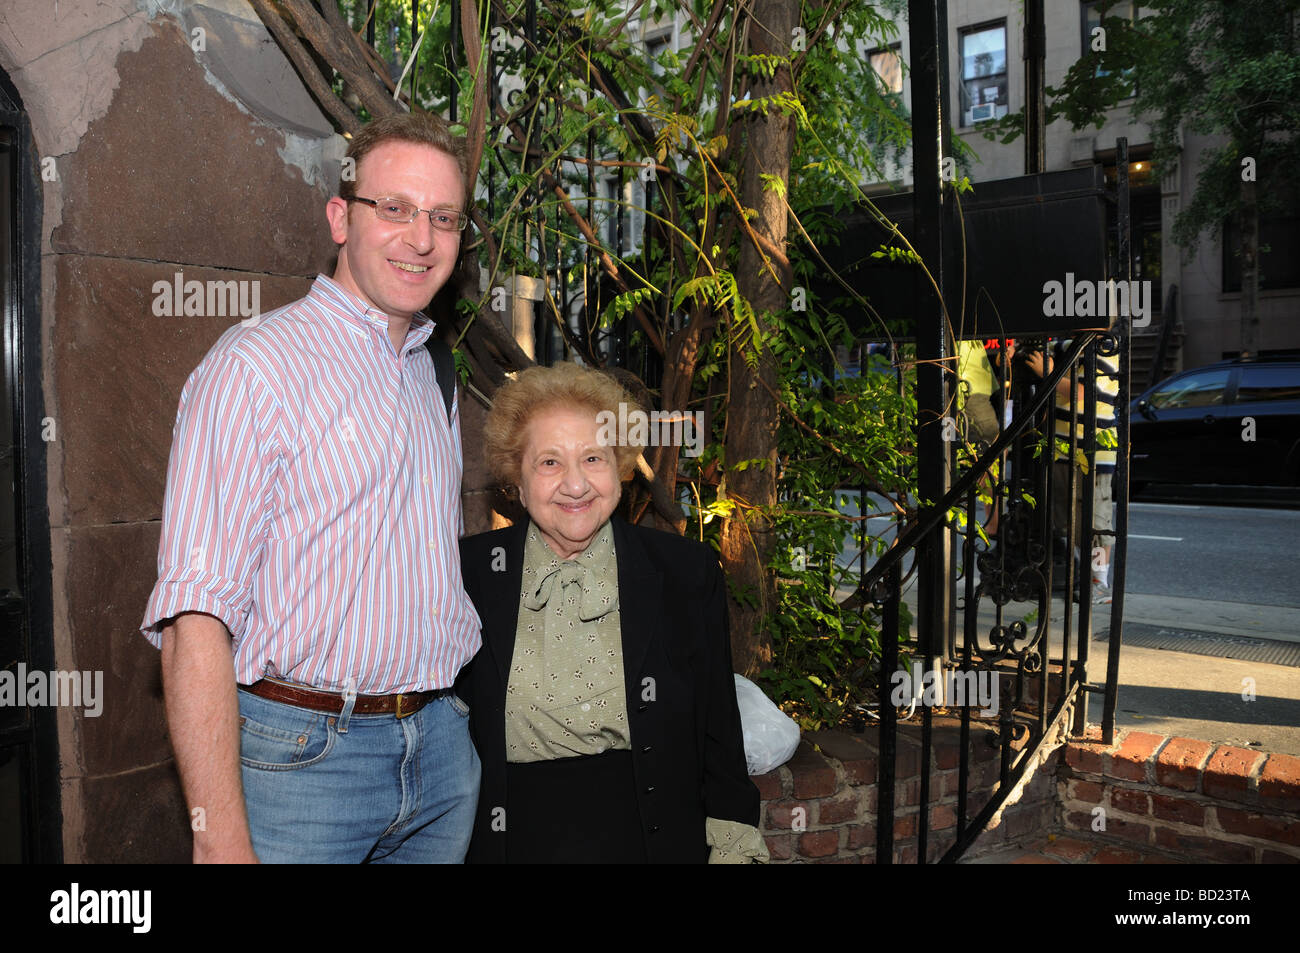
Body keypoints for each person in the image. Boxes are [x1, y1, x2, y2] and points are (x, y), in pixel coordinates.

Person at [140, 112, 482, 863]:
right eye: (393, 208)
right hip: (298, 762)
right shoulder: (254, 366)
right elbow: (194, 616)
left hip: (441, 755)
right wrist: (216, 837)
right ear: (340, 217)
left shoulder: (434, 373)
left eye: (444, 217)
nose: (421, 238)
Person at [456, 362, 766, 863]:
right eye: (550, 462)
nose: (576, 486)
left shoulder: (685, 573)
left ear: (621, 464)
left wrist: (734, 847)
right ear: (517, 475)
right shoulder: (470, 574)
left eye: (594, 458)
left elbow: (719, 736)